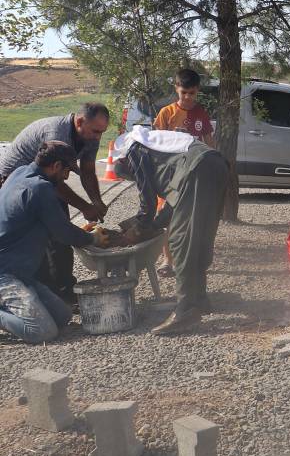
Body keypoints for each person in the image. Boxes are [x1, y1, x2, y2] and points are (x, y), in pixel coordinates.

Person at [113, 126, 227, 336]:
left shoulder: (134, 150)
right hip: (216, 163)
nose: (135, 179)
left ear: (123, 162)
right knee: (201, 235)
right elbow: (174, 200)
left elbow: (147, 200)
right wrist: (155, 225)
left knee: (179, 241)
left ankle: (185, 311)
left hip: (198, 169)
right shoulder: (160, 149)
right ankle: (200, 299)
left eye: (131, 176)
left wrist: (138, 229)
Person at [0, 102, 111, 303]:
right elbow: (57, 182)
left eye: (102, 132)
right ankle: (47, 291)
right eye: (95, 131)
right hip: (15, 180)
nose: (98, 138)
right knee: (46, 237)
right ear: (79, 121)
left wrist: (96, 202)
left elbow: (87, 170)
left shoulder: (90, 135)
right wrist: (85, 208)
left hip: (42, 182)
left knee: (59, 233)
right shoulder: (57, 134)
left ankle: (61, 291)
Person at [0, 141, 108, 343]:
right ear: (57, 166)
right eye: (67, 170)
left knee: (63, 316)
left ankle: (12, 304)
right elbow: (63, 234)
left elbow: (51, 225)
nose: (66, 177)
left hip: (21, 272)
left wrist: (78, 232)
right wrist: (93, 238)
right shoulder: (40, 188)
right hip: (4, 274)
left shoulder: (20, 172)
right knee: (42, 331)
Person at [153, 68, 215, 277]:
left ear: (197, 91)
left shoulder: (201, 114)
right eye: (184, 93)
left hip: (194, 177)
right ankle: (167, 260)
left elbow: (209, 143)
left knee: (191, 220)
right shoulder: (166, 113)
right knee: (168, 219)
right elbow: (155, 143)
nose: (188, 97)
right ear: (177, 89)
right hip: (170, 178)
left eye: (192, 93)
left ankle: (189, 260)